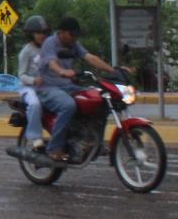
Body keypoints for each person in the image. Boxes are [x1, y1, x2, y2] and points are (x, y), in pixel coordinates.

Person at [34, 17, 118, 164]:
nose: (75, 38)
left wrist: (114, 71)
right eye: (72, 34)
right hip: (47, 87)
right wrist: (62, 71)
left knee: (100, 100)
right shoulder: (50, 43)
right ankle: (54, 148)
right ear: (61, 32)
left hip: (67, 86)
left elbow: (90, 57)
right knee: (68, 105)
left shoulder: (73, 44)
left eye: (76, 35)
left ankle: (95, 142)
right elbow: (52, 63)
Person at [14, 15, 50, 152]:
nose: (41, 36)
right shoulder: (26, 51)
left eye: (44, 33)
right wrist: (34, 80)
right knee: (35, 104)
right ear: (31, 34)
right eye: (38, 33)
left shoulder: (48, 49)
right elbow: (21, 75)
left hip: (45, 87)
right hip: (28, 88)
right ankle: (36, 139)